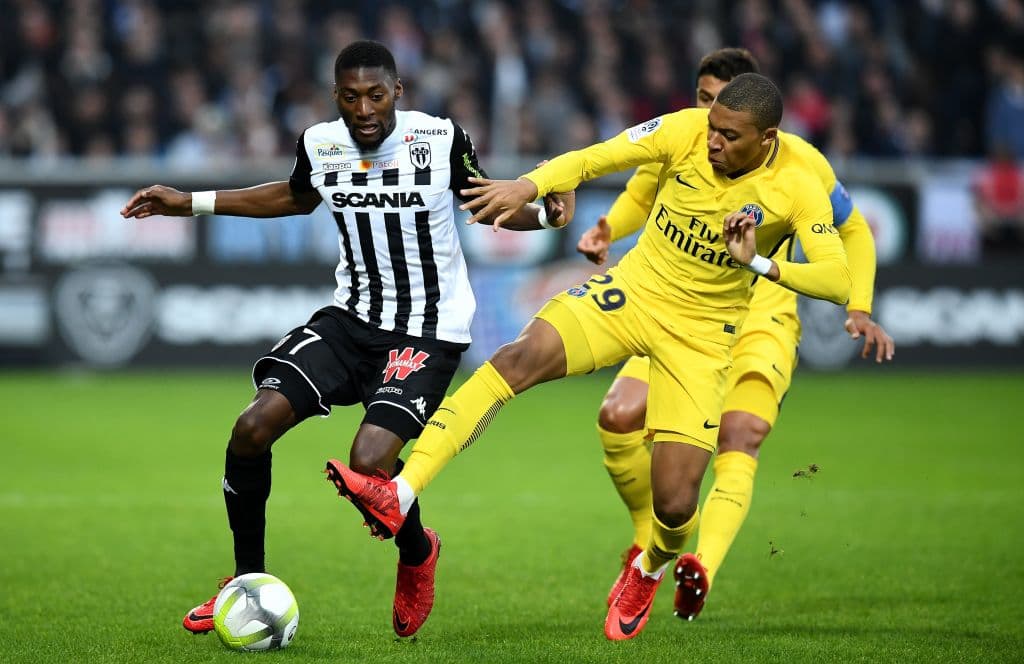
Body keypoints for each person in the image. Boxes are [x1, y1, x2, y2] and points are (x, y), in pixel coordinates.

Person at [325, 72, 854, 640]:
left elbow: (835, 278)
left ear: (767, 138)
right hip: (632, 295)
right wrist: (527, 187)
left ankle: (649, 565)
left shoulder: (797, 185)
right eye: (712, 127)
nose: (713, 141)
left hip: (701, 339)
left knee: (676, 507)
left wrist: (757, 264)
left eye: (729, 135)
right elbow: (591, 159)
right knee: (516, 358)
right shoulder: (684, 131)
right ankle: (399, 492)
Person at [120, 40, 572, 639]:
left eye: (376, 95)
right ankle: (244, 580)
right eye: (352, 97)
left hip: (427, 329)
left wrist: (543, 216)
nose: (365, 109)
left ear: (397, 92)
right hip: (350, 320)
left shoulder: (439, 139)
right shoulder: (320, 143)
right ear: (336, 97)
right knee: (251, 429)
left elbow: (485, 204)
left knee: (369, 463)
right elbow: (293, 196)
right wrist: (190, 203)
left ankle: (416, 553)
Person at [574, 48, 895, 624]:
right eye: (701, 101)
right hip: (682, 309)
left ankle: (700, 568)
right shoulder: (690, 140)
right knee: (618, 414)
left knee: (739, 433)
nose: (706, 120)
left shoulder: (803, 168)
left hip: (762, 316)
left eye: (715, 106)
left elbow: (854, 231)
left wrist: (860, 306)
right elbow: (642, 193)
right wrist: (607, 228)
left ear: (759, 127)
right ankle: (648, 541)